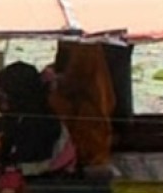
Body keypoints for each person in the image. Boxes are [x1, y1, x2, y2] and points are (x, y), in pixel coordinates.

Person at [0, 62, 78, 193]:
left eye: (1, 98)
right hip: (32, 165)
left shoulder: (36, 126)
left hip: (52, 174)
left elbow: (13, 172)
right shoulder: (24, 115)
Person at [45, 41, 117, 172]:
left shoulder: (86, 45)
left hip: (85, 114)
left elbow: (75, 80)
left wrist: (55, 80)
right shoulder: (71, 41)